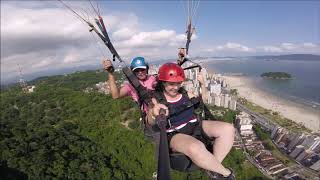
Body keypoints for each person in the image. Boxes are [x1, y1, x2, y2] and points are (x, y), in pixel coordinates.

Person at [147, 63, 235, 179]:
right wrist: (153, 113)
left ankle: (214, 169)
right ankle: (225, 174)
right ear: (163, 82)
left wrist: (203, 85)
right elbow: (149, 122)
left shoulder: (184, 93)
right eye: (171, 84)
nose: (175, 87)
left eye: (178, 83)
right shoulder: (156, 99)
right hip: (175, 133)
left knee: (228, 129)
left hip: (195, 125)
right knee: (195, 146)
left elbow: (201, 101)